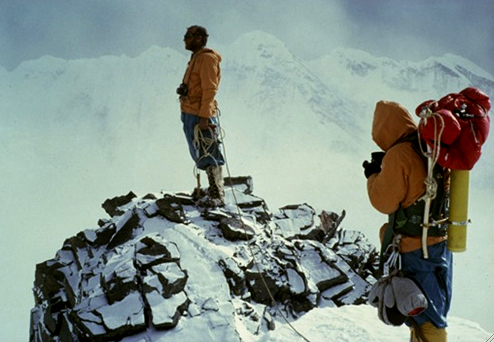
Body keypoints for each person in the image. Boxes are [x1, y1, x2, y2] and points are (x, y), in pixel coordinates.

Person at [363, 100, 453, 342]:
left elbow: (383, 201)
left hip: (413, 248)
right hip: (440, 243)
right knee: (434, 307)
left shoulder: (398, 154)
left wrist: (372, 175)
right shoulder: (431, 147)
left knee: (422, 312)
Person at [177, 25, 225, 206]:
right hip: (191, 111)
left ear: (198, 38)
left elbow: (210, 89)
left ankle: (217, 194)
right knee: (199, 150)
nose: (184, 39)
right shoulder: (196, 59)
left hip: (199, 113)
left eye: (188, 36)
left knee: (208, 148)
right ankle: (212, 189)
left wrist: (204, 116)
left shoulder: (206, 59)